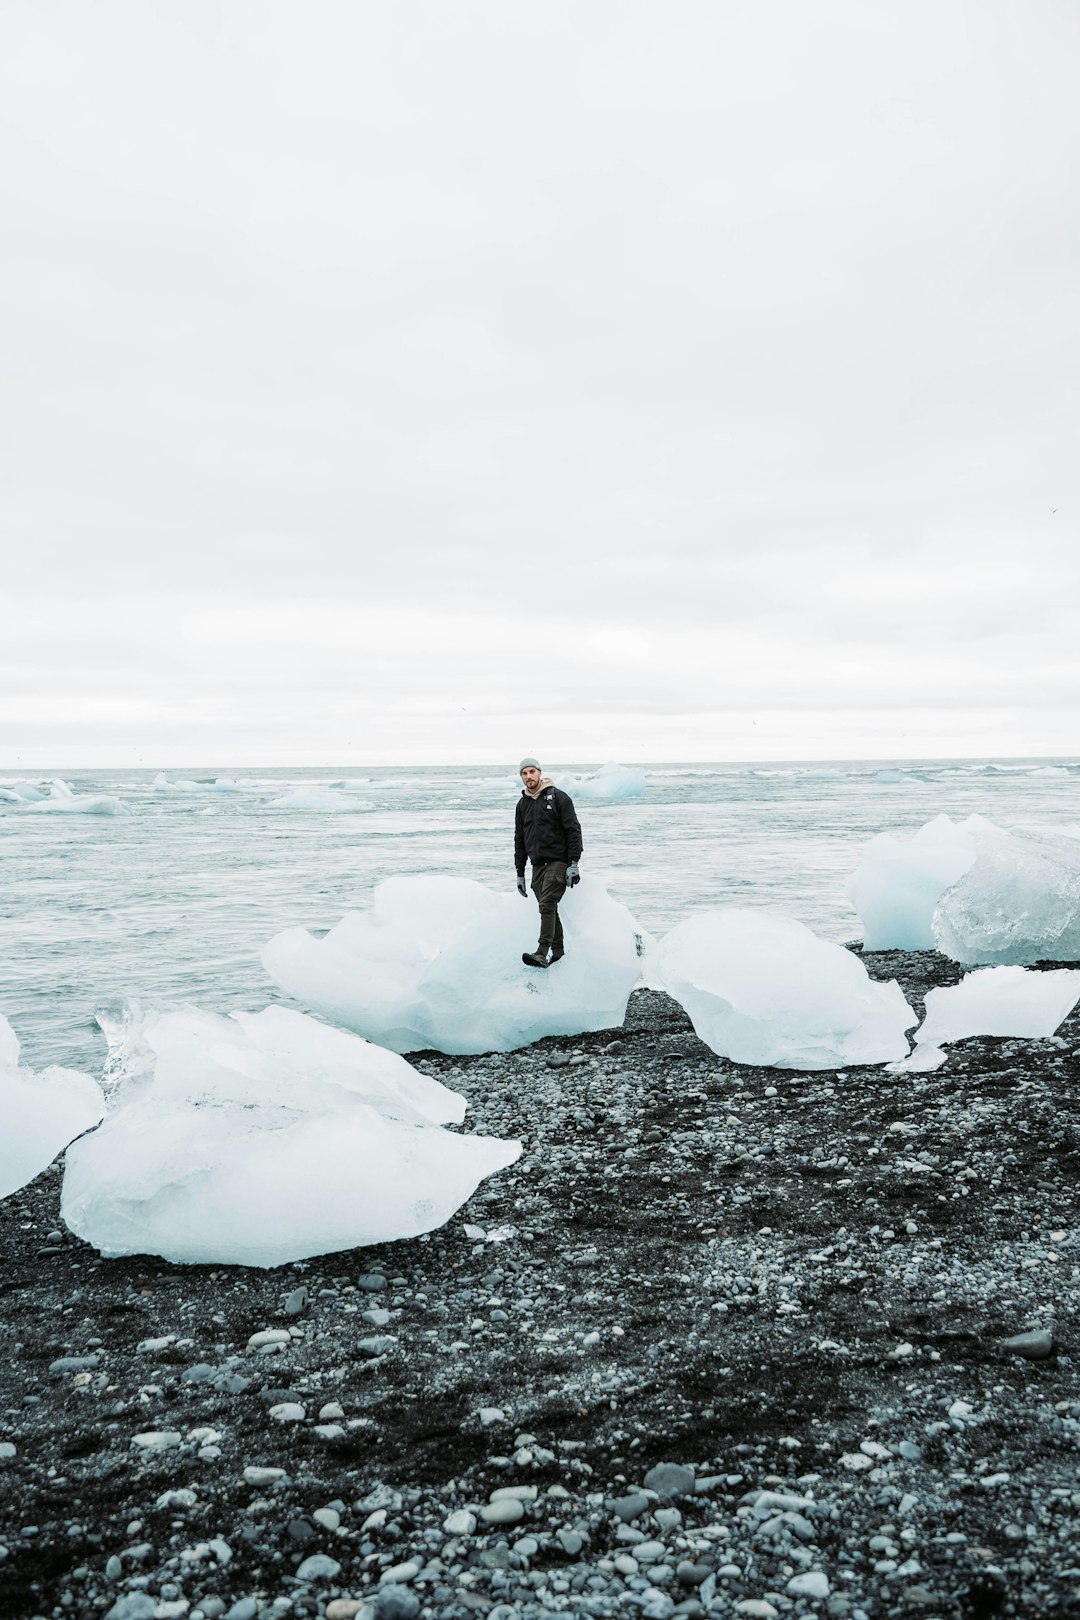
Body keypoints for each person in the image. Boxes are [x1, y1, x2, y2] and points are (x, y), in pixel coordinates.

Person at [514, 758, 582, 968]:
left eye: (532, 772)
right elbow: (520, 839)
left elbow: (573, 829)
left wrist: (574, 863)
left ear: (539, 773)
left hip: (559, 861)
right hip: (537, 866)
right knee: (549, 909)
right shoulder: (522, 804)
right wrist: (519, 872)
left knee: (547, 905)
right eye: (524, 773)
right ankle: (559, 953)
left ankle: (542, 951)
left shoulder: (559, 797)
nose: (528, 777)